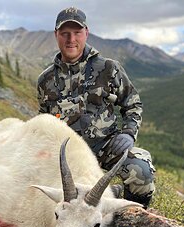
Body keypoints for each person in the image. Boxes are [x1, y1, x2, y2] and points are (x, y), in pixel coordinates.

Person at [37, 7, 155, 207]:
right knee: (38, 190)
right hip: (66, 154)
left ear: (86, 33)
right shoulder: (45, 80)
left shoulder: (109, 68)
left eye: (77, 33)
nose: (71, 39)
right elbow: (43, 120)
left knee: (141, 172)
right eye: (65, 33)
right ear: (56, 35)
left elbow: (133, 104)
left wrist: (128, 132)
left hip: (106, 146)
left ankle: (130, 218)